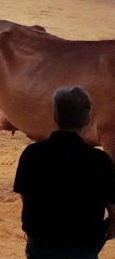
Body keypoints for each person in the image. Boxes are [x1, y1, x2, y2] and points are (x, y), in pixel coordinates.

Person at [14, 86, 115, 258]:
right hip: (83, 249)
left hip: (40, 248)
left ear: (55, 116)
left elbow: (27, 203)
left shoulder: (31, 154)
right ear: (88, 120)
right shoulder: (100, 161)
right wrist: (100, 237)